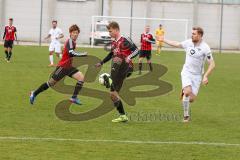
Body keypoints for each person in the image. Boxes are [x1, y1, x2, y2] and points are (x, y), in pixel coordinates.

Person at [159, 27, 215, 122]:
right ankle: (186, 116)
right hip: (186, 72)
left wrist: (205, 76)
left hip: (197, 76)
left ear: (200, 35)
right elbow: (177, 44)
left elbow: (212, 64)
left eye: (194, 34)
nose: (192, 35)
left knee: (191, 99)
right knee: (188, 92)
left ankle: (184, 92)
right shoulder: (188, 42)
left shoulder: (205, 48)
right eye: (192, 33)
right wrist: (164, 39)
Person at [30, 24, 87, 105]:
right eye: (74, 32)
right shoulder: (70, 41)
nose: (75, 34)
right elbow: (71, 53)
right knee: (51, 83)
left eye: (77, 33)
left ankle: (74, 97)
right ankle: (34, 93)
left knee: (81, 77)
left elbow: (68, 52)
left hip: (69, 67)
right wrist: (82, 54)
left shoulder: (73, 42)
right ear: (70, 33)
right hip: (62, 67)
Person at [95, 21, 139, 123]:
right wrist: (101, 62)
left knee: (118, 57)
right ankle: (123, 115)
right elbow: (111, 54)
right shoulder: (114, 42)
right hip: (118, 70)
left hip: (127, 66)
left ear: (116, 30)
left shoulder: (125, 40)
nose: (109, 33)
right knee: (113, 95)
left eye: (110, 31)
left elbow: (136, 50)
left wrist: (129, 57)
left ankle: (109, 79)